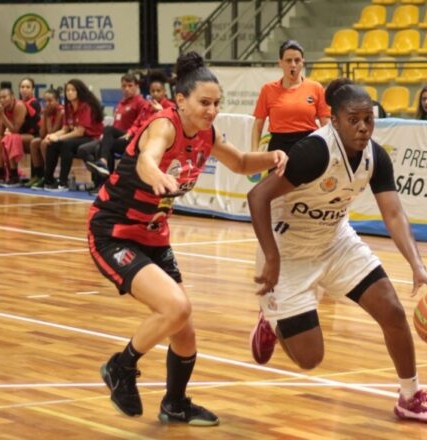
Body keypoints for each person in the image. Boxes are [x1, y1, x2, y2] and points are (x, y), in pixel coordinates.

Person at [88, 52, 287, 426]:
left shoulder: (206, 134)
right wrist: (155, 176)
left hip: (154, 235)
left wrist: (274, 156)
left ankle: (175, 404)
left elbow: (241, 162)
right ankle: (121, 366)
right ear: (181, 101)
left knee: (185, 331)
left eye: (216, 104)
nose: (212, 110)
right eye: (204, 103)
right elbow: (148, 158)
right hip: (113, 231)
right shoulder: (164, 126)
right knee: (176, 308)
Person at [247, 78, 427, 425]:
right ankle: (272, 320)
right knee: (310, 359)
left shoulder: (376, 156)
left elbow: (393, 213)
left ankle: (409, 397)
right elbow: (258, 197)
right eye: (353, 120)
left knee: (392, 310)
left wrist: (417, 266)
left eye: (368, 119)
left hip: (335, 239)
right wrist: (271, 256)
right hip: (290, 249)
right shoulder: (314, 153)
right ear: (334, 121)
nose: (362, 127)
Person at [82, 70, 175, 191]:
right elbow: (137, 123)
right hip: (133, 137)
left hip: (147, 142)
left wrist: (160, 111)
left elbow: (169, 124)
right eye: (153, 91)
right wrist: (129, 133)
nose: (155, 93)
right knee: (107, 137)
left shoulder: (168, 106)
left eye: (158, 91)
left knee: (104, 145)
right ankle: (104, 177)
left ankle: (106, 179)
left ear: (164, 91)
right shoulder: (147, 105)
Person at [251, 40, 330, 154]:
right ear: (280, 63)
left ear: (303, 62)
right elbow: (258, 126)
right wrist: (254, 152)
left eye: (297, 60)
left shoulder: (316, 88)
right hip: (278, 147)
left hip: (309, 146)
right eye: (288, 60)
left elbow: (325, 124)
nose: (293, 64)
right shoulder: (267, 90)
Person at [42, 78, 103, 192]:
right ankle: (48, 180)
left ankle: (63, 182)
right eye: (67, 90)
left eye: (73, 90)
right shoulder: (68, 107)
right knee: (52, 144)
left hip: (91, 138)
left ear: (79, 91)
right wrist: (51, 136)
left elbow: (79, 132)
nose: (69, 92)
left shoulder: (86, 106)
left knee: (65, 143)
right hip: (78, 137)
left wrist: (58, 138)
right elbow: (65, 128)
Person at [83, 73, 148, 177]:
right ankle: (101, 182)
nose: (126, 88)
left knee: (105, 140)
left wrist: (131, 132)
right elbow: (116, 124)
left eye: (130, 85)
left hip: (131, 139)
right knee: (96, 147)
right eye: (124, 86)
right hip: (119, 138)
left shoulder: (141, 102)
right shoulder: (120, 103)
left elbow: (143, 124)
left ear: (136, 86)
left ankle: (104, 165)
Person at [27, 88, 63, 189]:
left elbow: (53, 132)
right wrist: (45, 117)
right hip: (50, 138)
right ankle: (39, 175)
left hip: (62, 139)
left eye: (50, 101)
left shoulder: (61, 111)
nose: (47, 103)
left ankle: (48, 176)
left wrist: (46, 117)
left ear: (57, 101)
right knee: (34, 142)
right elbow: (42, 134)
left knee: (44, 143)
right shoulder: (47, 112)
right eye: (44, 101)